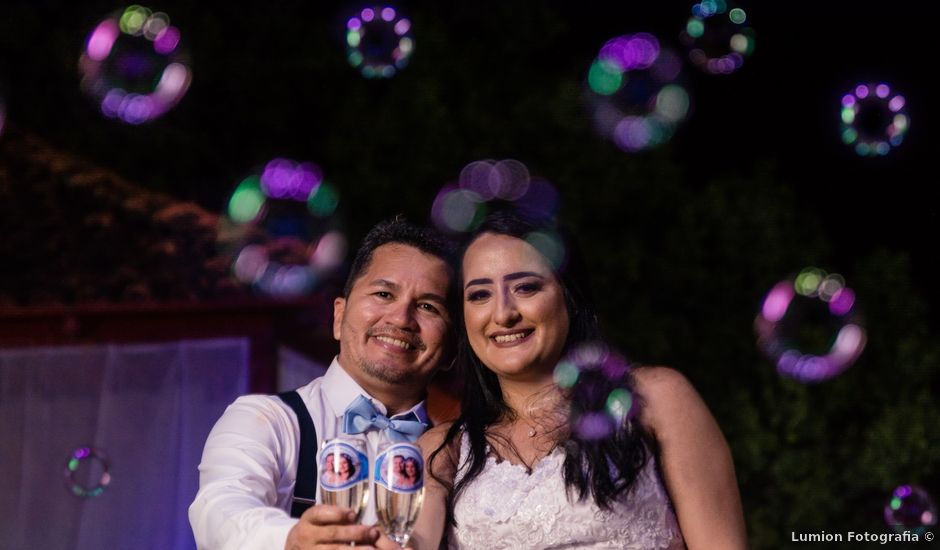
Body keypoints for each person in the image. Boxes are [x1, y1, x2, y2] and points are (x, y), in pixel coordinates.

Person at [408, 211, 747, 549]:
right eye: (480, 295)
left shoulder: (655, 397)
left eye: (526, 287)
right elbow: (410, 540)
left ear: (568, 295)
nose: (503, 314)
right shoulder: (444, 449)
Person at [189, 217, 456, 550]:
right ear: (339, 317)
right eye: (384, 293)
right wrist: (290, 538)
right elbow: (219, 511)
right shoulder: (268, 420)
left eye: (428, 306)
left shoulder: (463, 455)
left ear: (452, 349)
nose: (401, 318)